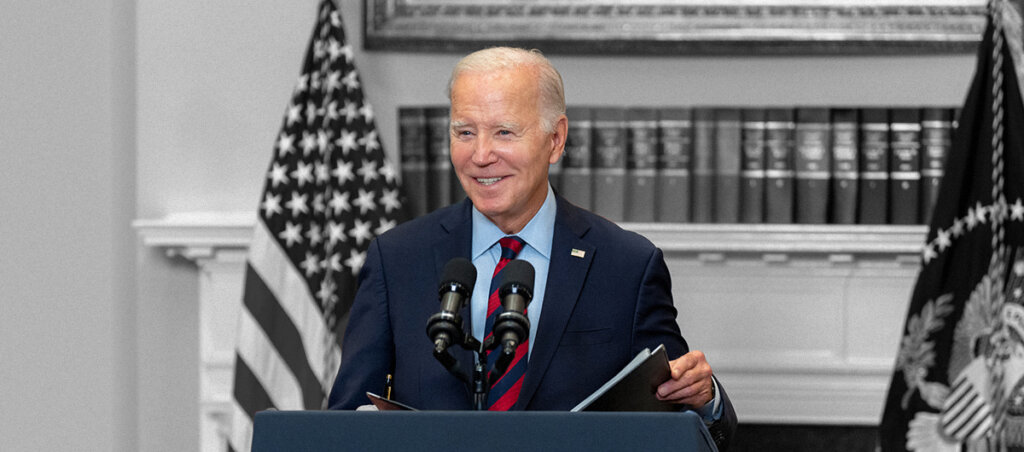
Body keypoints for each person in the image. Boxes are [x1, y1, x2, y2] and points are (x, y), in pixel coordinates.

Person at [328, 47, 737, 449]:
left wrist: (704, 398)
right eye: (464, 132)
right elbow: (346, 420)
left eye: (504, 132)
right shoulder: (397, 258)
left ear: (555, 140)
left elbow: (680, 414)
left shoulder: (627, 265)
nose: (481, 155)